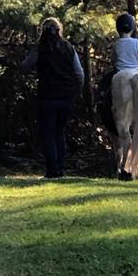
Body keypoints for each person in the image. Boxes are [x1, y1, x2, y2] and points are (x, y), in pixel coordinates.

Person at [21, 17, 84, 179]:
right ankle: (61, 169)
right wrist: (76, 89)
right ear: (59, 30)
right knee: (60, 132)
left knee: (48, 133)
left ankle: (52, 170)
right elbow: (79, 73)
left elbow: (26, 66)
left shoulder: (39, 48)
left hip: (46, 95)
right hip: (66, 96)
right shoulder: (68, 48)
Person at [96, 13, 138, 134]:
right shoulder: (136, 43)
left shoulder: (116, 44)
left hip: (120, 71)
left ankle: (99, 104)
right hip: (137, 70)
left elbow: (113, 60)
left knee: (104, 86)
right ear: (132, 28)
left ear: (118, 29)